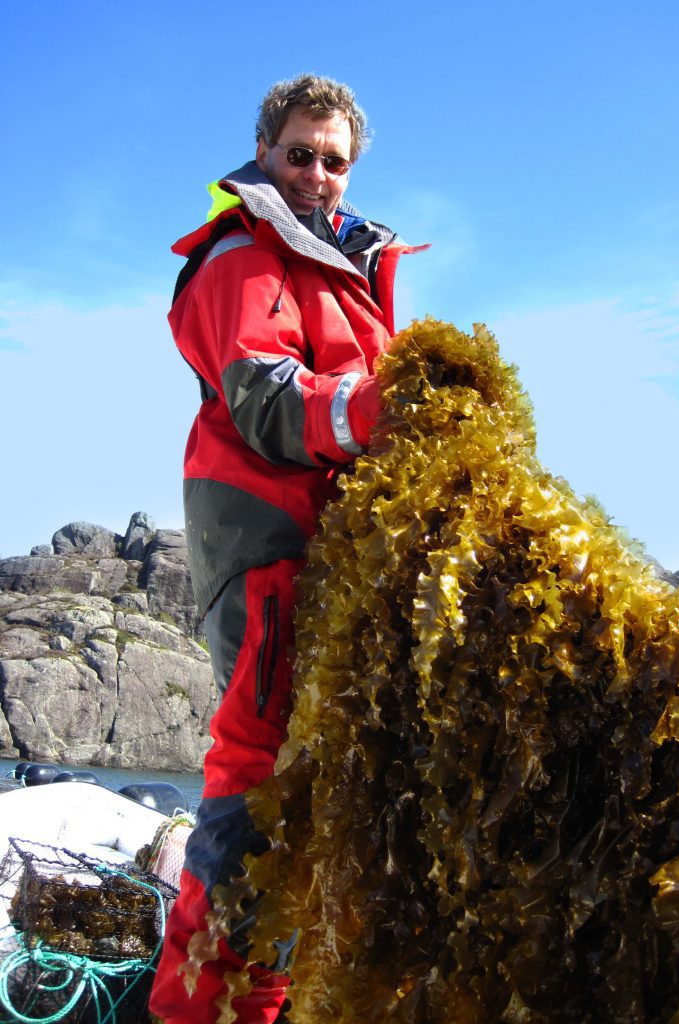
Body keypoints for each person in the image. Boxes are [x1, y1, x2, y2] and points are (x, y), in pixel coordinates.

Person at [149, 74, 422, 1024]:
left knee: (327, 798)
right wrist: (385, 411)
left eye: (334, 160)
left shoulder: (349, 267)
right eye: (300, 153)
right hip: (272, 552)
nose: (316, 175)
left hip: (339, 567)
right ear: (264, 152)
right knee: (258, 791)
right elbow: (266, 400)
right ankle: (199, 1012)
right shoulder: (246, 255)